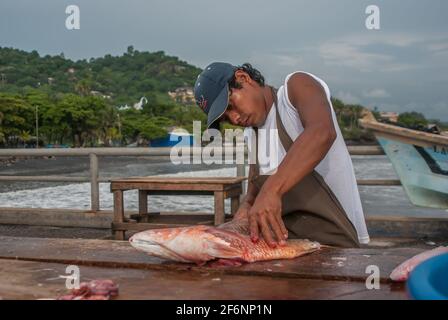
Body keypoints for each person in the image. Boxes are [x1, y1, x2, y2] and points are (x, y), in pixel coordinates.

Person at [193, 62, 370, 248]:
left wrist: (272, 190)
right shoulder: (251, 134)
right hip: (288, 245)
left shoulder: (295, 89)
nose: (234, 118)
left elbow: (322, 132)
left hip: (336, 245)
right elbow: (256, 190)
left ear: (243, 78)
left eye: (230, 105)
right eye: (226, 118)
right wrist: (243, 213)